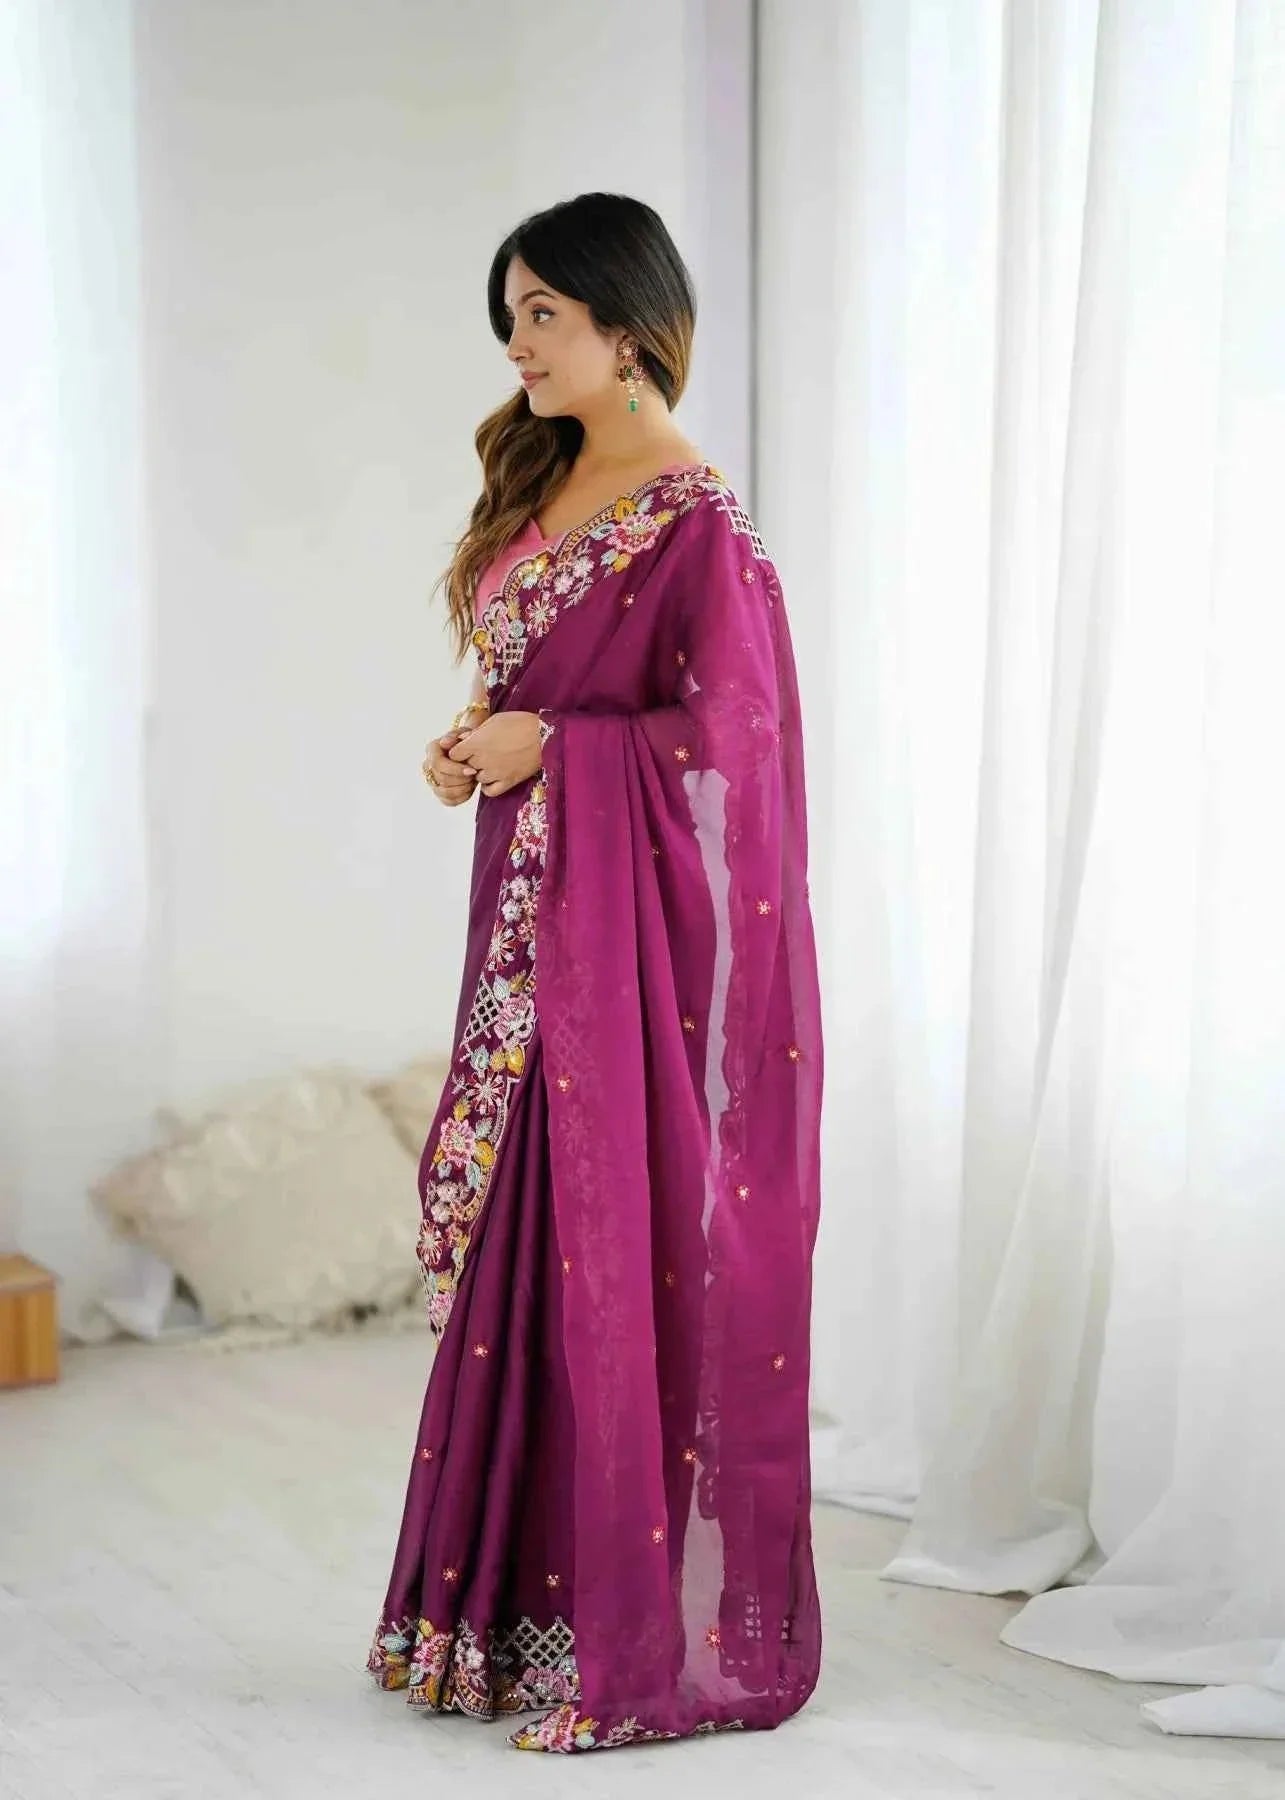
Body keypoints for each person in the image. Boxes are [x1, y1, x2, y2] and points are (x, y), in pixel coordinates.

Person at [366, 191, 824, 1754]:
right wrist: (478, 749)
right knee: (518, 1257)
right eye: (511, 313)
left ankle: (637, 1654)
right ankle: (491, 1626)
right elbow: (533, 686)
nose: (518, 342)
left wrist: (552, 749)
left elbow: (740, 752)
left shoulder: (697, 522)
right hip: (526, 932)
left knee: (605, 1259)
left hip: (619, 968)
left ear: (630, 325)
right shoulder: (547, 473)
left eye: (544, 313)